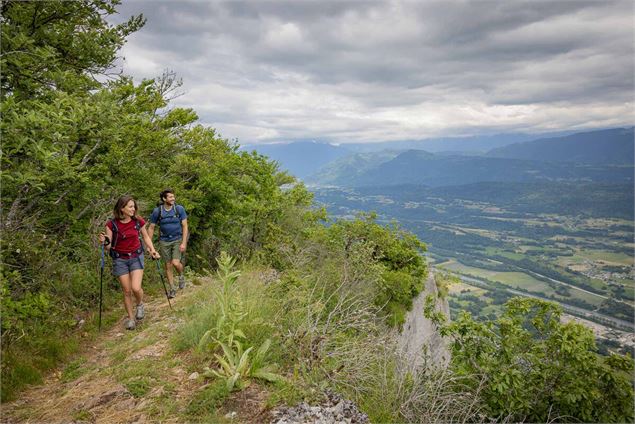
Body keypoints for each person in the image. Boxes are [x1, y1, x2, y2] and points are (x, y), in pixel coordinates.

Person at [99, 195, 160, 330]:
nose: (134, 209)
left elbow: (145, 237)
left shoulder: (138, 221)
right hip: (119, 259)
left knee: (136, 288)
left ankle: (140, 304)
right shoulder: (111, 224)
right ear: (122, 208)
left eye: (134, 206)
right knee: (126, 291)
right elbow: (109, 246)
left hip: (136, 257)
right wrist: (104, 242)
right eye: (130, 207)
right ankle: (131, 319)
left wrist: (152, 250)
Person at [148, 189, 188, 298]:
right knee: (168, 265)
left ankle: (181, 275)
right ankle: (172, 288)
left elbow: (185, 226)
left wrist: (184, 242)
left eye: (173, 197)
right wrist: (149, 245)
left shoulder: (179, 209)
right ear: (164, 199)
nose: (173, 199)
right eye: (170, 197)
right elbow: (151, 227)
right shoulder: (158, 211)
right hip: (164, 241)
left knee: (175, 263)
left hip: (177, 239)